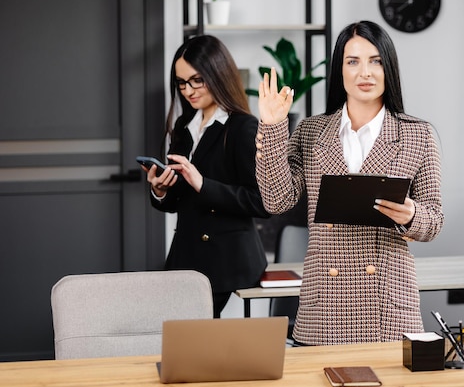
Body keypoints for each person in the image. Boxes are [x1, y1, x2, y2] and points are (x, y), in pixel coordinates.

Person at [254, 21, 444, 345]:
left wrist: (411, 215)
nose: (364, 73)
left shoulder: (418, 134)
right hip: (324, 306)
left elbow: (434, 220)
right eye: (352, 61)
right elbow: (276, 200)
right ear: (339, 71)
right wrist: (272, 127)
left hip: (387, 303)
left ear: (389, 67)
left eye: (375, 61)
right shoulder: (311, 132)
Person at [142, 35, 269, 318]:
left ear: (218, 73)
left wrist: (203, 184)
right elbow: (177, 201)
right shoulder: (184, 124)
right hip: (186, 257)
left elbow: (260, 202)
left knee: (198, 339)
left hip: (228, 260)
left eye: (197, 80)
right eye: (181, 82)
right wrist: (161, 190)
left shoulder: (243, 127)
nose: (188, 90)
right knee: (177, 337)